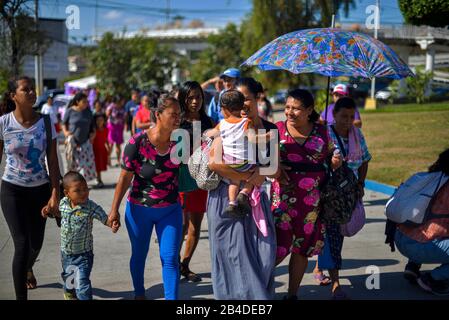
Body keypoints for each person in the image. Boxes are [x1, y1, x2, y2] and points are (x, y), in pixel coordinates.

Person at [206, 76, 279, 300]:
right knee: (229, 255)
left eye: (245, 99)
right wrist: (249, 175)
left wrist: (255, 177)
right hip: (224, 198)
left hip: (254, 199)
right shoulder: (224, 127)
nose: (242, 105)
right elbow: (214, 164)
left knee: (264, 256)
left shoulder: (269, 129)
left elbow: (274, 170)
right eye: (237, 100)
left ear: (257, 98)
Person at [108, 95, 183, 300]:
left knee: (170, 258)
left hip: (171, 209)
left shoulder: (181, 141)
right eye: (173, 114)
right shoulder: (137, 142)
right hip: (139, 210)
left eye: (179, 114)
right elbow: (124, 178)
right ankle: (139, 293)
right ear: (158, 114)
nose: (177, 118)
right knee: (139, 255)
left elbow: (188, 172)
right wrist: (113, 210)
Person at [271, 89, 342, 300]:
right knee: (278, 247)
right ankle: (255, 287)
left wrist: (335, 161)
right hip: (282, 200)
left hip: (312, 203)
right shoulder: (277, 129)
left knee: (302, 248)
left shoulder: (323, 132)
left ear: (309, 110)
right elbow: (264, 160)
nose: (289, 112)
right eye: (287, 107)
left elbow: (334, 155)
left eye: (296, 108)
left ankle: (292, 294)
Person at [0, 76, 61, 300]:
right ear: (13, 96)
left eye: (33, 89)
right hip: (12, 191)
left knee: (36, 244)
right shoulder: (4, 123)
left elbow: (53, 162)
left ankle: (28, 267)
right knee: (22, 244)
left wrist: (55, 193)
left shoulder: (46, 122)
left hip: (40, 191)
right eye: (26, 90)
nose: (32, 93)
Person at [314, 96, 371, 299]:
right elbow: (316, 160)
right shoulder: (324, 134)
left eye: (350, 116)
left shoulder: (357, 134)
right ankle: (336, 284)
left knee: (336, 233)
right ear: (334, 115)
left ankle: (321, 267)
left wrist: (361, 184)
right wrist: (330, 162)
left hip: (348, 194)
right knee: (331, 236)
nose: (347, 120)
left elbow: (365, 160)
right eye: (343, 116)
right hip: (326, 193)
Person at [206, 90, 272, 217]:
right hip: (245, 163)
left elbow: (211, 134)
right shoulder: (246, 122)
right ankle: (244, 193)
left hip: (229, 162)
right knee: (256, 172)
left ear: (224, 109)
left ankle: (232, 203)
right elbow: (253, 139)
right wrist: (267, 136)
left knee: (234, 182)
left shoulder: (222, 124)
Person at [394, 148, 449, 296]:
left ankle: (412, 266)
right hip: (419, 246)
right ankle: (432, 279)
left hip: (400, 237)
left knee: (428, 224)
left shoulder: (429, 178)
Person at [60, 171, 118, 300]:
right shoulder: (63, 204)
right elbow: (56, 212)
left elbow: (104, 218)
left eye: (85, 189)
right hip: (66, 253)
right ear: (67, 193)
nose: (83, 192)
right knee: (70, 278)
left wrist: (111, 224)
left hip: (83, 255)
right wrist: (48, 210)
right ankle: (69, 292)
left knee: (82, 283)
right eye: (78, 190)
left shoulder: (91, 207)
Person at [177, 81, 214, 282]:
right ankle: (172, 262)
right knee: (180, 225)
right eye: (190, 97)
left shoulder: (209, 122)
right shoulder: (177, 122)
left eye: (198, 97)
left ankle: (185, 264)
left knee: (195, 225)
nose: (194, 101)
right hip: (181, 179)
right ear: (183, 99)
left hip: (201, 180)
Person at [62, 92, 96, 182]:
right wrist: (66, 132)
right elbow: (63, 124)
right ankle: (73, 183)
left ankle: (83, 182)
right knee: (73, 164)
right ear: (77, 102)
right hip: (73, 142)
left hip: (85, 142)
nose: (86, 103)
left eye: (87, 101)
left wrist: (93, 134)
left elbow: (93, 126)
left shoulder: (88, 112)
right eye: (84, 101)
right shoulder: (70, 111)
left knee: (84, 164)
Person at [106, 96, 126, 167]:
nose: (121, 102)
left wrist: (125, 125)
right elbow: (107, 115)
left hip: (119, 127)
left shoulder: (122, 107)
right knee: (111, 144)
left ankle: (118, 161)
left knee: (118, 145)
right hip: (112, 126)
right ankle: (108, 160)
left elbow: (124, 117)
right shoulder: (111, 106)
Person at [92, 114, 110, 188]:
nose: (100, 122)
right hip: (94, 150)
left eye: (101, 120)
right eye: (98, 120)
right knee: (96, 166)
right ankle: (98, 179)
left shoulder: (106, 129)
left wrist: (108, 148)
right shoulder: (94, 130)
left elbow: (106, 140)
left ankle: (98, 178)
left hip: (102, 150)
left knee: (99, 166)